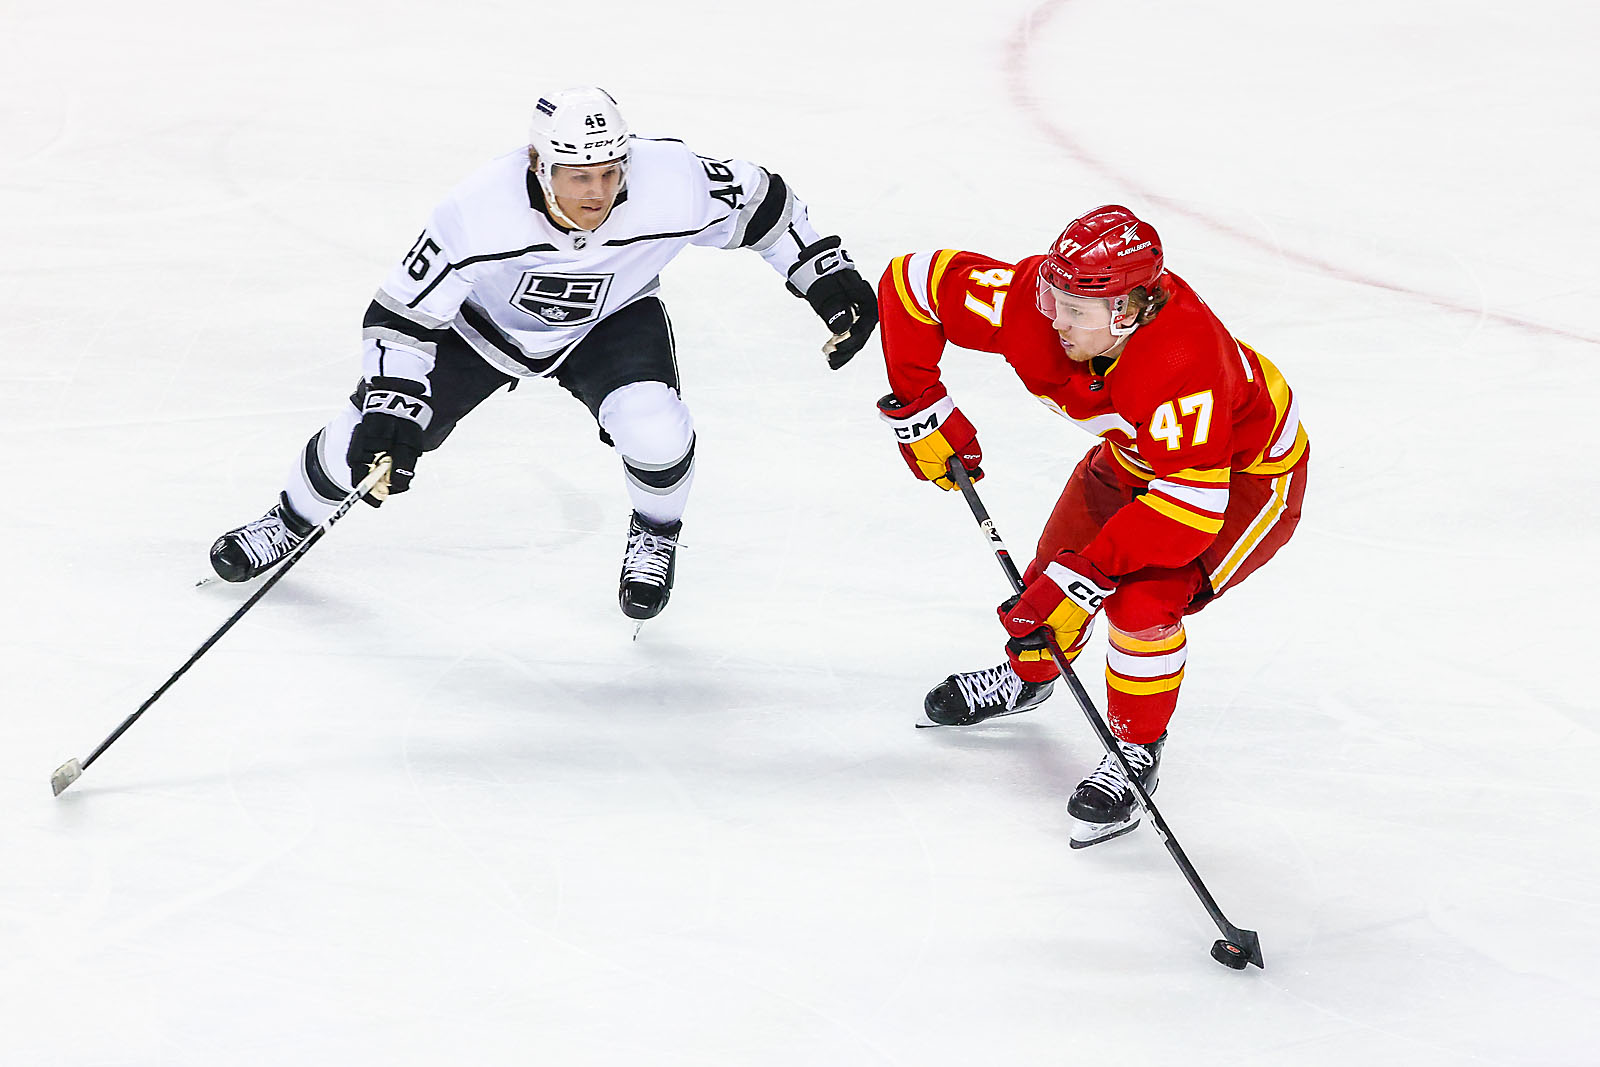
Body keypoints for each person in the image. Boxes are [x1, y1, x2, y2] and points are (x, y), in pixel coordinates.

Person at [208, 86, 877, 623]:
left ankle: (656, 532)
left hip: (610, 320)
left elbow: (767, 206)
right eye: (578, 175)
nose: (597, 193)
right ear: (538, 164)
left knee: (656, 428)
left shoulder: (673, 181)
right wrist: (392, 408)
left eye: (611, 172)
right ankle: (289, 518)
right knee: (363, 438)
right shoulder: (478, 209)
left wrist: (826, 275)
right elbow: (402, 315)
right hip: (479, 332)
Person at [875, 205, 1309, 847]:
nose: (1053, 318)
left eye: (1075, 310)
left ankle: (1136, 750)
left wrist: (1085, 576)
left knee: (1140, 601)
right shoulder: (1036, 304)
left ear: (1127, 314)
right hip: (1135, 457)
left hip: (1239, 482)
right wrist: (921, 402)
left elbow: (1189, 512)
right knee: (1048, 592)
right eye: (1054, 293)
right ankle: (1030, 678)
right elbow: (912, 284)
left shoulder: (1184, 362)